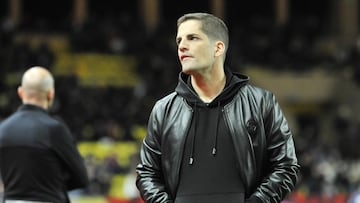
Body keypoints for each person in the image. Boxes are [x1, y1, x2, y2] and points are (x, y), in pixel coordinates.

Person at [136, 12, 300, 203]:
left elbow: (286, 165)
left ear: (218, 48)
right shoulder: (163, 109)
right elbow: (146, 173)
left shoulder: (262, 102)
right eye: (179, 40)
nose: (181, 46)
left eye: (192, 38)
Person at [0, 66, 89, 203]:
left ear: (20, 92)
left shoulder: (3, 129)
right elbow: (82, 178)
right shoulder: (54, 129)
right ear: (50, 94)